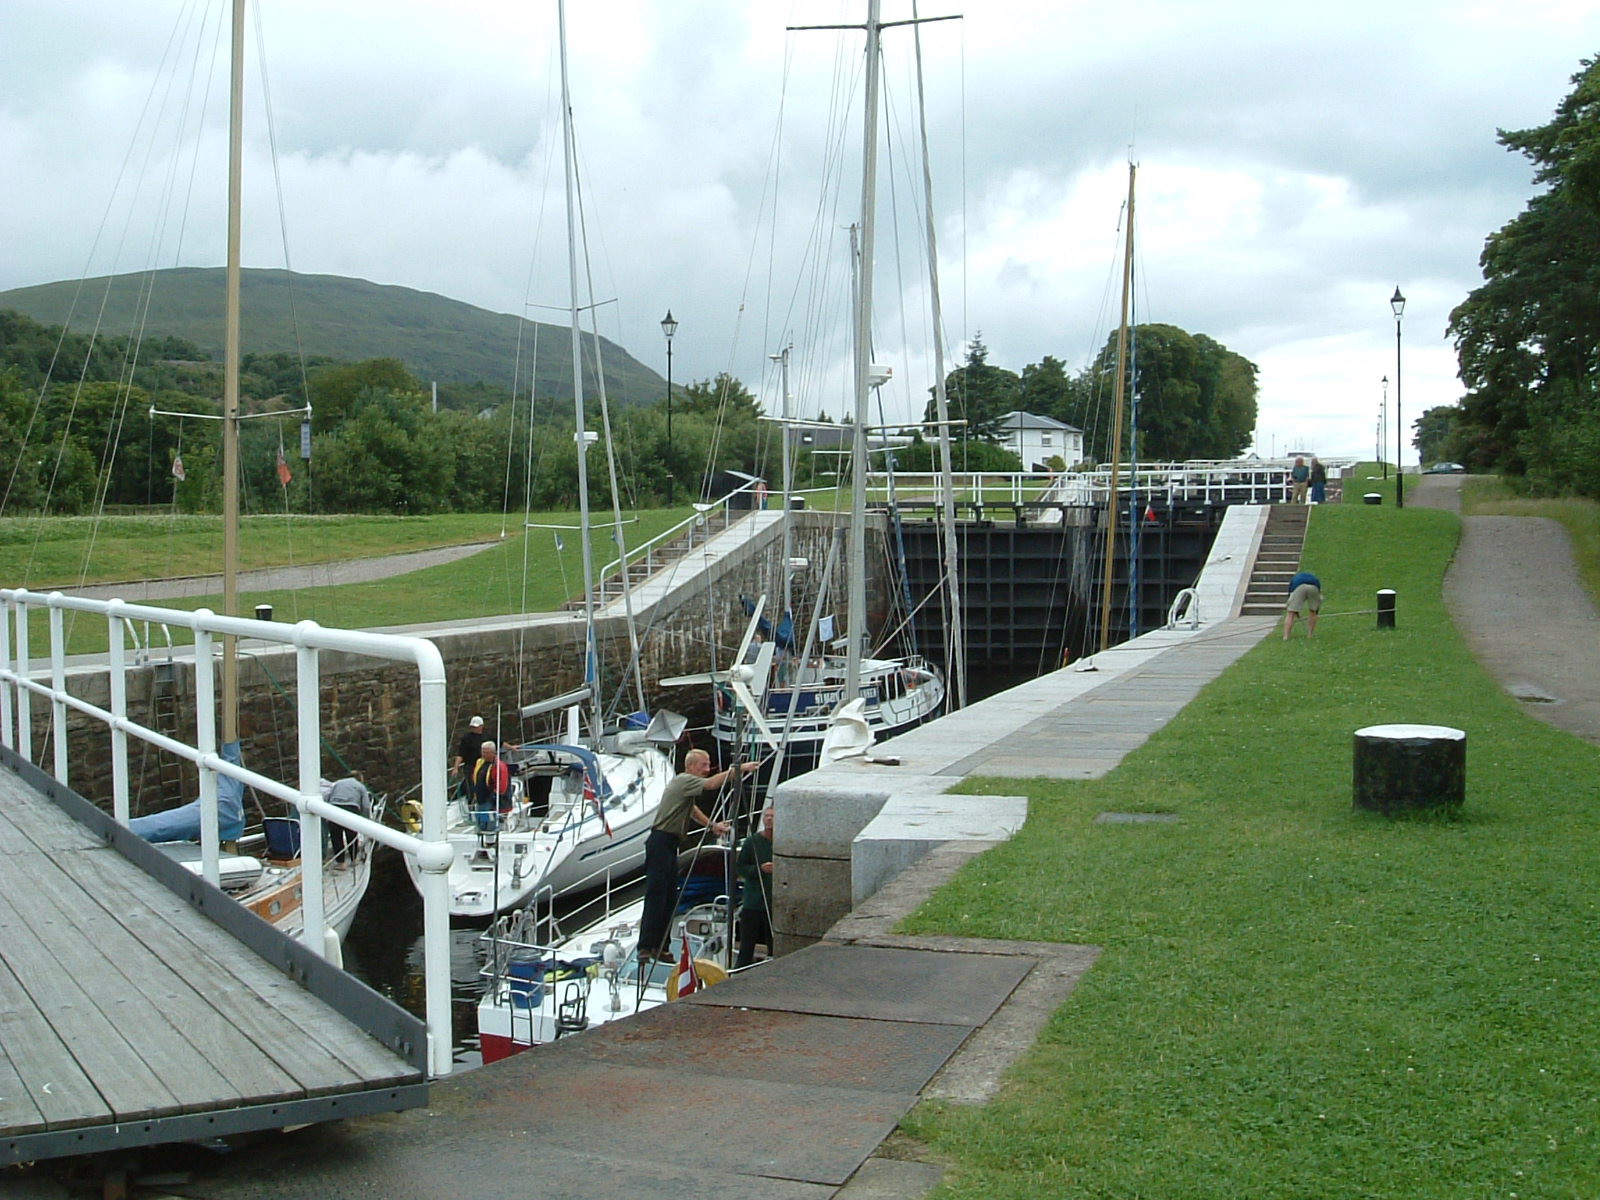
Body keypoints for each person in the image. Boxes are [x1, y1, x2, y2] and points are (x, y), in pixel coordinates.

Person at [639, 748, 762, 963]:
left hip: (670, 844)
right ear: (691, 766)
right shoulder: (685, 780)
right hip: (661, 842)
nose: (707, 769)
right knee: (656, 896)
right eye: (704, 765)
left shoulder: (685, 787)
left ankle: (662, 946)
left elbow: (692, 809)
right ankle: (646, 946)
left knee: (670, 898)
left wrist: (712, 826)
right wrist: (739, 769)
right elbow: (713, 784)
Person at [736, 806, 775, 968]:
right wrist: (759, 869)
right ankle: (740, 971)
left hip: (774, 902)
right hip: (753, 901)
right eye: (766, 816)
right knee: (747, 945)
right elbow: (741, 867)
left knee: (774, 944)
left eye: (772, 816)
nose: (769, 819)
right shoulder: (752, 842)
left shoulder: (783, 842)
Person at [472, 740, 513, 829]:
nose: (483, 754)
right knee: (481, 823)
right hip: (480, 799)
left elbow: (502, 786)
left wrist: (494, 797)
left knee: (490, 824)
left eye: (486, 752)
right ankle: (482, 833)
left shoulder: (499, 766)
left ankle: (491, 838)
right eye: (482, 752)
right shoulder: (480, 762)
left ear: (493, 753)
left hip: (490, 800)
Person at [1284, 570, 1322, 640]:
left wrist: (1293, 610)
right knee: (1313, 612)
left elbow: (1290, 594)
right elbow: (1318, 594)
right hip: (1314, 587)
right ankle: (1310, 634)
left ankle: (1286, 636)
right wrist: (1316, 610)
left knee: (1290, 613)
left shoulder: (1295, 579)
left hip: (1299, 587)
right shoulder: (1315, 579)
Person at [453, 715, 485, 797]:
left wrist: (511, 747)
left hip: (484, 766)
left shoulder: (487, 737)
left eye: (476, 727)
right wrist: (455, 768)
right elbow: (460, 754)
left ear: (481, 726)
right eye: (472, 727)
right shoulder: (466, 739)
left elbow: (500, 743)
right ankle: (471, 801)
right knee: (471, 787)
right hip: (470, 767)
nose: (474, 729)